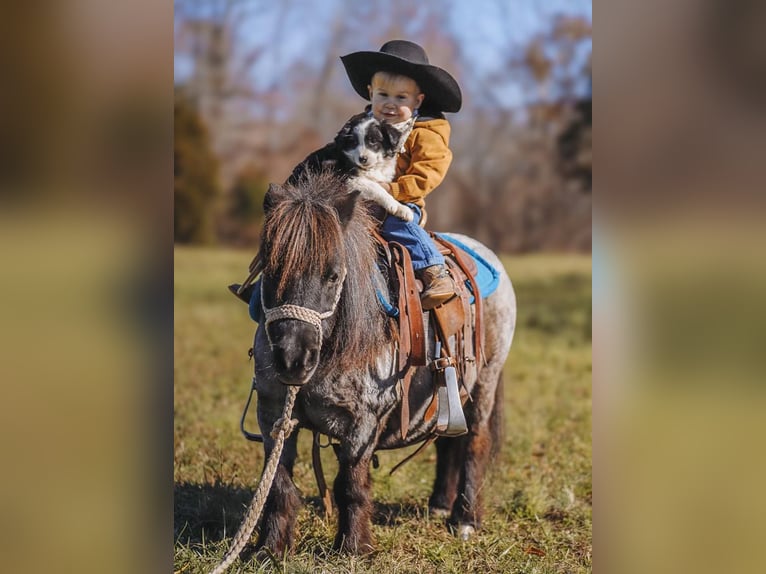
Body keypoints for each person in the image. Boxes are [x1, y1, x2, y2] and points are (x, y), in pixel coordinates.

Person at [340, 39, 462, 309]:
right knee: (313, 225)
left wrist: (392, 191)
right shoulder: (360, 126)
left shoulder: (427, 131)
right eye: (383, 95)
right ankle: (274, 285)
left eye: (401, 97)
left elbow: (427, 173)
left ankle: (434, 271)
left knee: (397, 225)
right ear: (371, 93)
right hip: (359, 201)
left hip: (402, 204)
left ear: (418, 100)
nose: (390, 105)